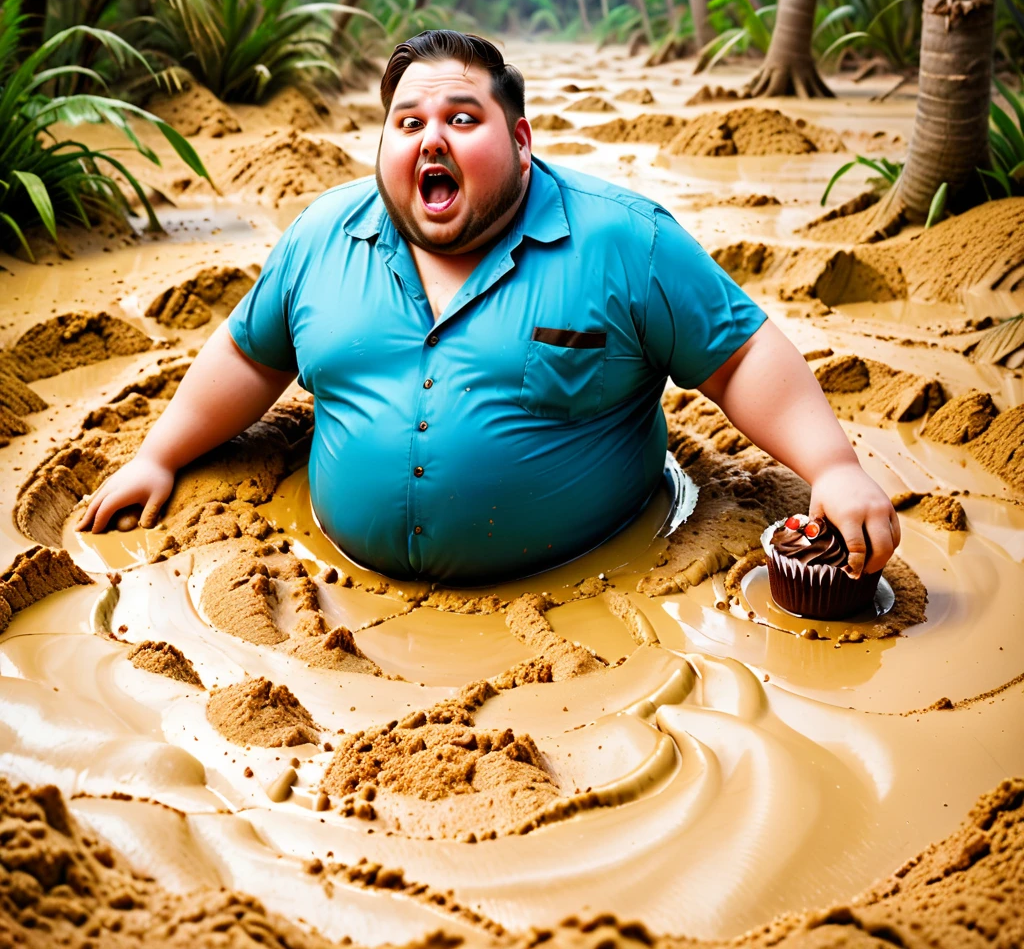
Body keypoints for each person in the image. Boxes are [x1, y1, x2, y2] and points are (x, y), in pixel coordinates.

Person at [78, 30, 900, 586]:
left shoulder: (625, 241)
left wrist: (831, 467)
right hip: (336, 585)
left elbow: (740, 355)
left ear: (521, 141)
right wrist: (158, 454)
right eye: (408, 123)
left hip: (588, 594)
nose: (430, 138)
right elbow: (250, 354)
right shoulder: (322, 234)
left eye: (461, 119)